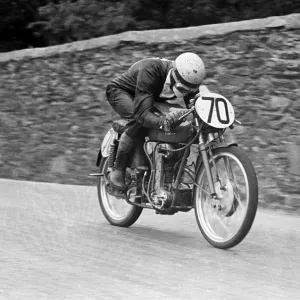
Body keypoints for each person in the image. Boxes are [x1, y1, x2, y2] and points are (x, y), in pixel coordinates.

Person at [105, 52, 206, 196]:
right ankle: (118, 170)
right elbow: (143, 114)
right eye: (182, 89)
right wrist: (163, 122)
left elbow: (194, 105)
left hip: (149, 95)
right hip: (122, 92)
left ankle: (166, 171)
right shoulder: (151, 70)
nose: (185, 93)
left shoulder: (188, 78)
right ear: (174, 75)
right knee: (139, 118)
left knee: (178, 123)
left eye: (189, 90)